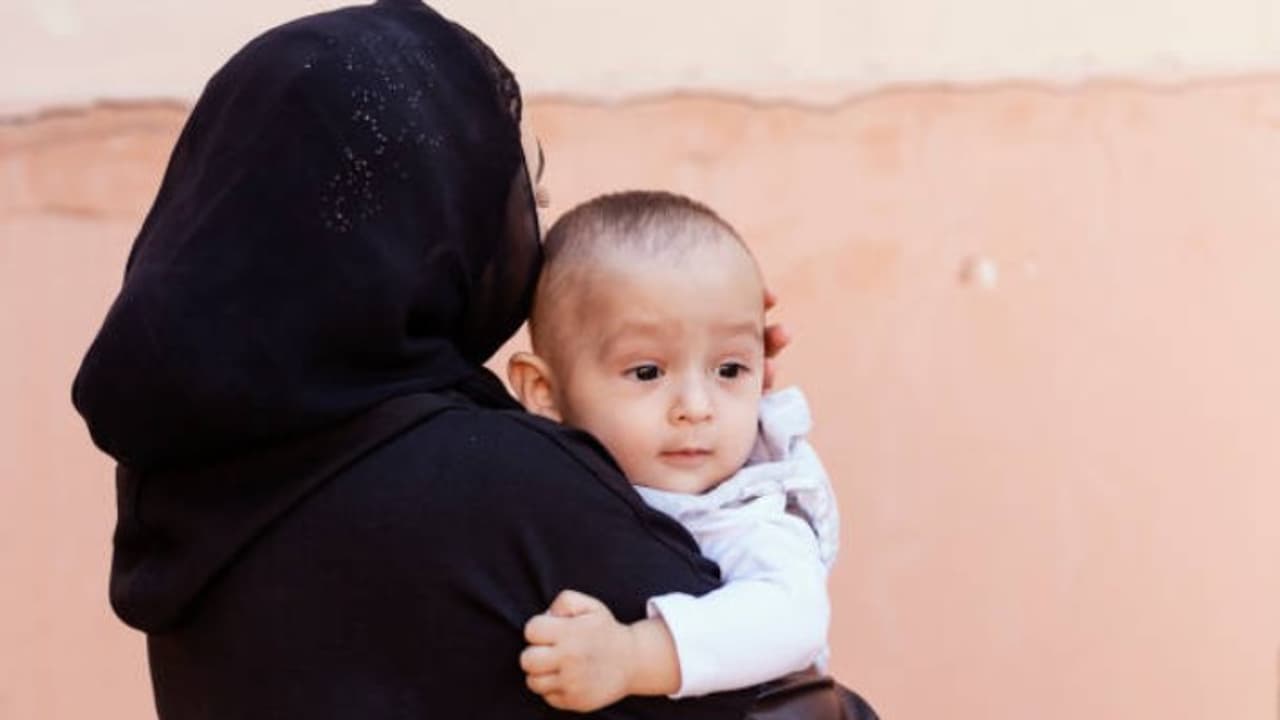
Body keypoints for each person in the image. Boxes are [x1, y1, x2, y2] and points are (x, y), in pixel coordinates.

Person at [71, 1, 879, 718]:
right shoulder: (492, 481)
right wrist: (737, 448)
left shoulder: (190, 487)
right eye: (520, 192)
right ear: (427, 220)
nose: (533, 225)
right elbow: (773, 682)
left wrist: (679, 370)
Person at [506, 191, 841, 712]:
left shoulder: (738, 511)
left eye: (730, 369)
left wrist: (635, 656)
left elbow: (794, 615)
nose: (697, 407)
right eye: (647, 372)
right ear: (544, 392)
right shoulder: (523, 477)